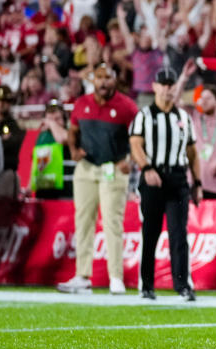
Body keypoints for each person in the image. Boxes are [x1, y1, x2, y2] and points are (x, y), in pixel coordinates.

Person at [58, 64, 138, 295]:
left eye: (108, 78)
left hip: (112, 168)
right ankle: (82, 276)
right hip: (86, 167)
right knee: (83, 221)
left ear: (115, 80)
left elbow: (140, 136)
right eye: (99, 78)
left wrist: (131, 161)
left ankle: (116, 277)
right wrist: (73, 149)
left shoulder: (127, 106)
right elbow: (73, 130)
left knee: (112, 222)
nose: (103, 82)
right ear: (93, 80)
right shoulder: (81, 104)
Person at [129, 67, 201, 301]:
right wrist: (147, 168)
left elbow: (192, 153)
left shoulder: (183, 117)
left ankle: (182, 285)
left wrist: (197, 182)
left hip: (178, 178)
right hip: (153, 177)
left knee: (179, 233)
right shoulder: (144, 116)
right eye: (164, 83)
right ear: (155, 87)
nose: (168, 88)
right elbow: (136, 144)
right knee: (150, 232)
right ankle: (147, 284)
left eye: (172, 84)